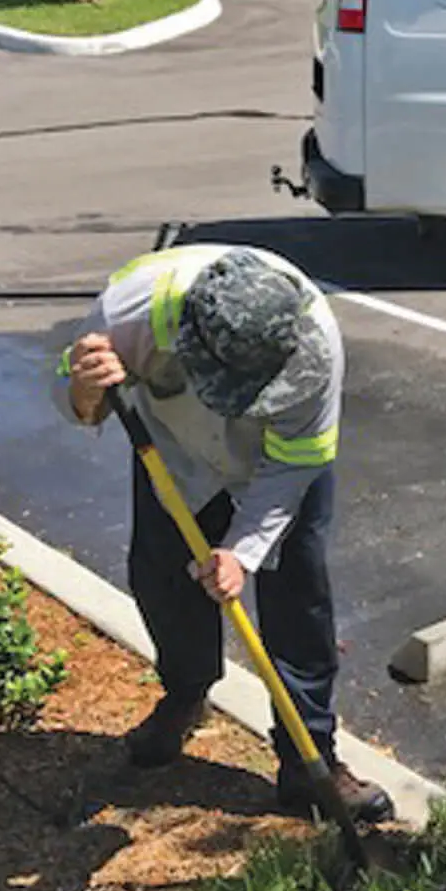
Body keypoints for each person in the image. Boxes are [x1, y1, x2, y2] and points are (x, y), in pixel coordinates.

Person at [52, 242, 392, 824]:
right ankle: (185, 695)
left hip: (275, 463)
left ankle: (309, 757)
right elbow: (75, 403)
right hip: (176, 455)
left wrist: (242, 550)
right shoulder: (125, 315)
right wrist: (85, 391)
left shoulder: (315, 344)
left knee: (299, 599)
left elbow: (294, 468)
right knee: (164, 584)